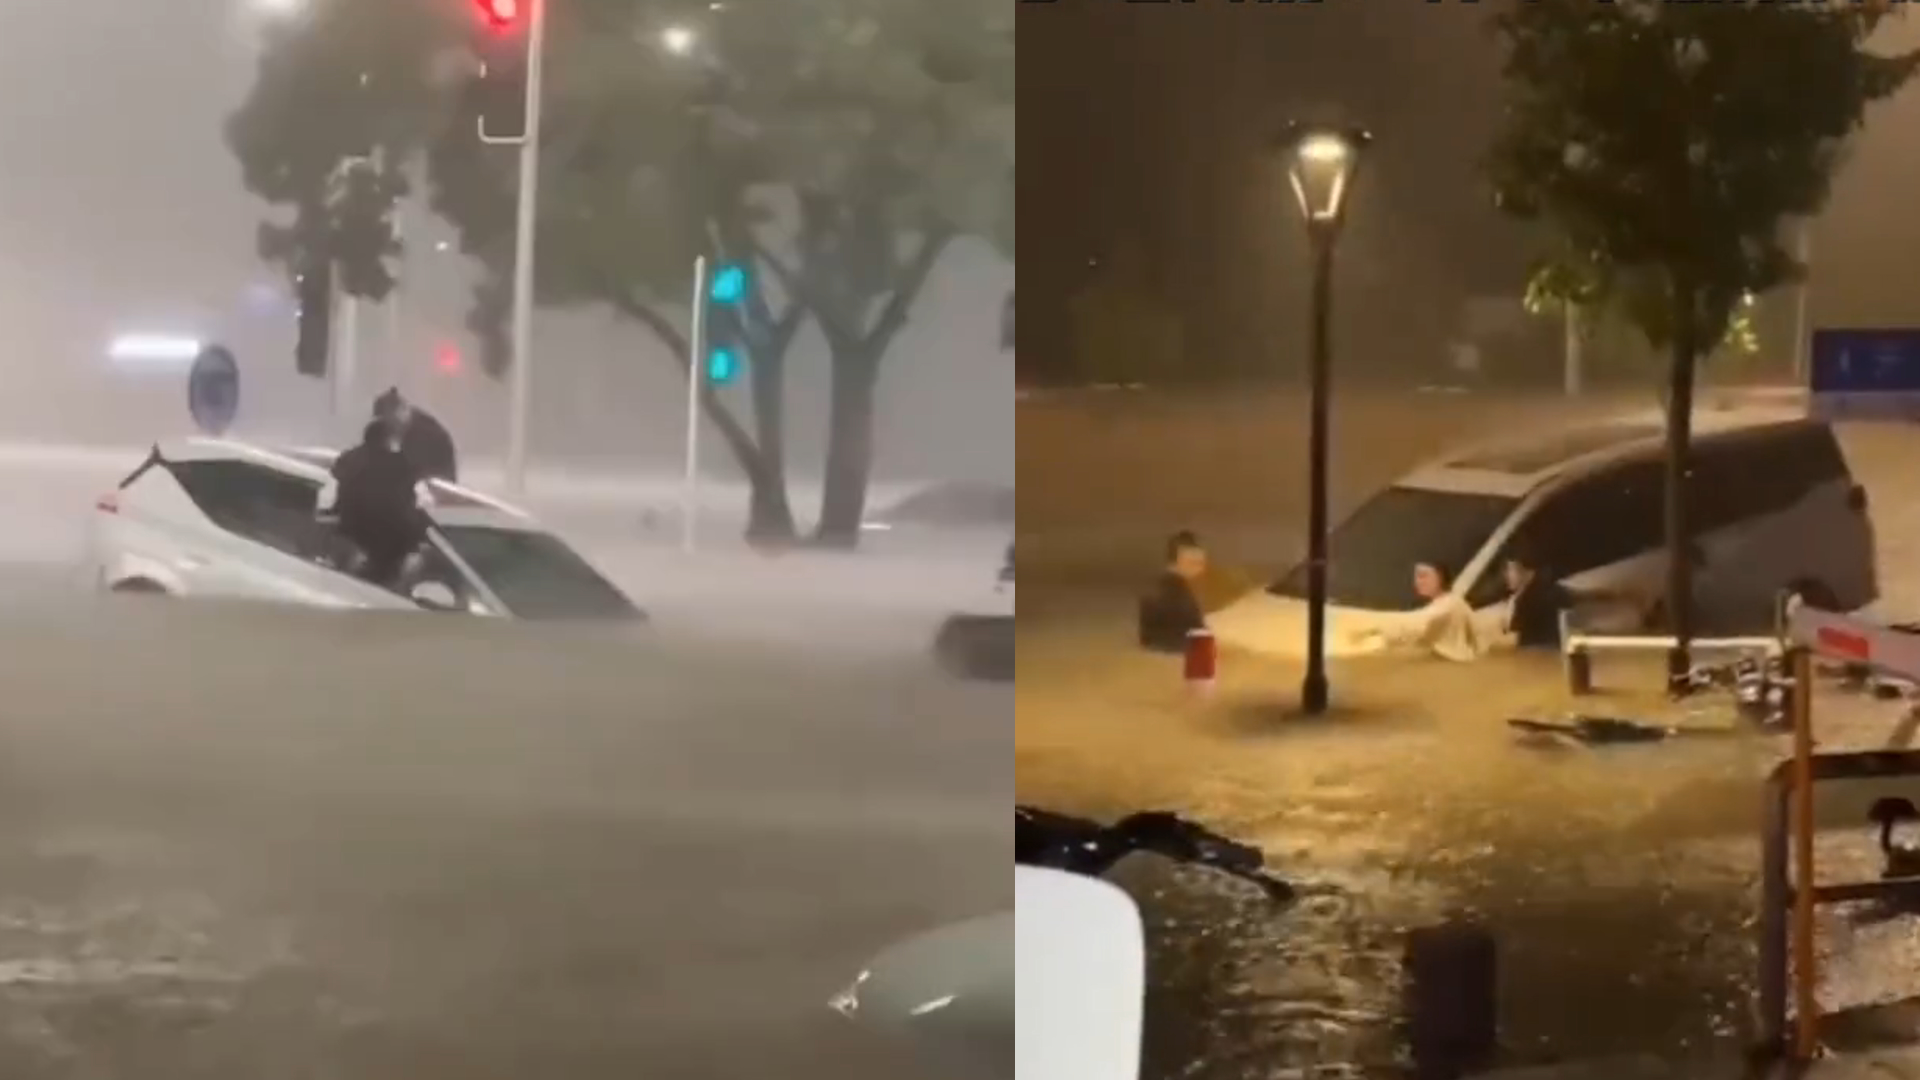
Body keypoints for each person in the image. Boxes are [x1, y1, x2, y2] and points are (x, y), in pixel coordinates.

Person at [321, 419, 432, 590]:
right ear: (387, 439)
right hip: (388, 542)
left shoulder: (349, 459)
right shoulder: (399, 464)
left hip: (352, 534)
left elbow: (334, 494)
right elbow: (410, 502)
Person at [1360, 561, 1482, 662]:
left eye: (1423, 576)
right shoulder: (1452, 602)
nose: (1418, 581)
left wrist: (1377, 629)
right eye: (1416, 577)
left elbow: (1416, 622)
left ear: (1440, 577)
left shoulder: (1448, 604)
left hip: (1450, 666)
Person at [1139, 531, 1208, 654]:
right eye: (1194, 563)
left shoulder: (1158, 586)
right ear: (1178, 562)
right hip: (1174, 648)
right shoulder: (1178, 594)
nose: (1201, 569)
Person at [373, 387, 459, 483]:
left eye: (390, 421)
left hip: (437, 485)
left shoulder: (424, 433)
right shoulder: (412, 426)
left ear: (400, 410)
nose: (390, 428)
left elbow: (413, 471)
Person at [1501, 549, 1573, 650]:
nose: (1506, 575)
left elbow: (1528, 640)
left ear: (1525, 571)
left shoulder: (1539, 599)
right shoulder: (1526, 594)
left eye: (1509, 569)